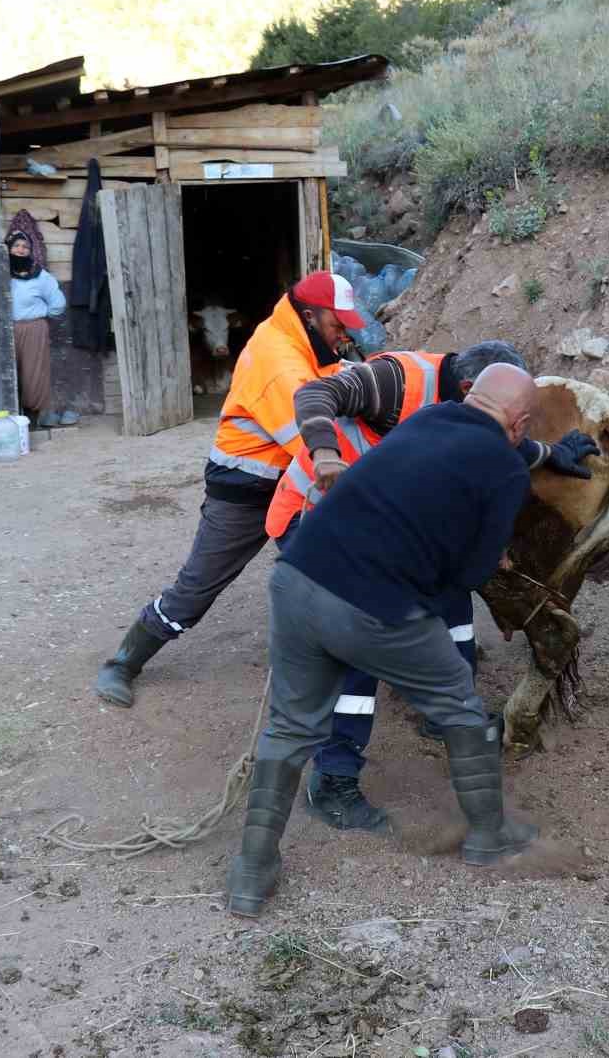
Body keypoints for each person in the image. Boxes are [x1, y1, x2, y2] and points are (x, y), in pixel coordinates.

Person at [228, 363, 542, 917]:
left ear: (471, 396)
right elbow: (470, 577)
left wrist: (544, 453)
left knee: (290, 728)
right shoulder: (506, 473)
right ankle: (488, 834)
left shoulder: (428, 418)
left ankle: (251, 873)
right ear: (518, 424)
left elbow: (480, 445)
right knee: (459, 704)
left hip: (297, 577)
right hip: (372, 606)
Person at [268, 342, 600, 832]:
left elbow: (493, 438)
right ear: (473, 393)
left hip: (384, 534)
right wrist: (325, 456)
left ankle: (440, 714)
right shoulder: (390, 381)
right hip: (319, 513)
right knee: (357, 644)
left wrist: (549, 453)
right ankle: (333, 778)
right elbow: (315, 394)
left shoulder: (453, 413)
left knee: (449, 611)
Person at [94, 272, 362, 708]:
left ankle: (394, 650)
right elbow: (316, 443)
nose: (346, 333)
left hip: (289, 483)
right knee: (196, 588)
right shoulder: (279, 362)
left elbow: (334, 379)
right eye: (339, 324)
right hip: (246, 489)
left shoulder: (302, 338)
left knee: (341, 571)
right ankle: (123, 662)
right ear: (311, 316)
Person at [5, 225, 67, 426]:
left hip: (34, 329)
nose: (21, 250)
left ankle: (32, 421)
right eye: (16, 246)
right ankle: (12, 420)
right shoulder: (0, 273)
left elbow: (58, 304)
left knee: (33, 375)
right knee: (8, 375)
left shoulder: (40, 276)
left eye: (25, 247)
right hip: (5, 330)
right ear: (8, 249)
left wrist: (39, 317)